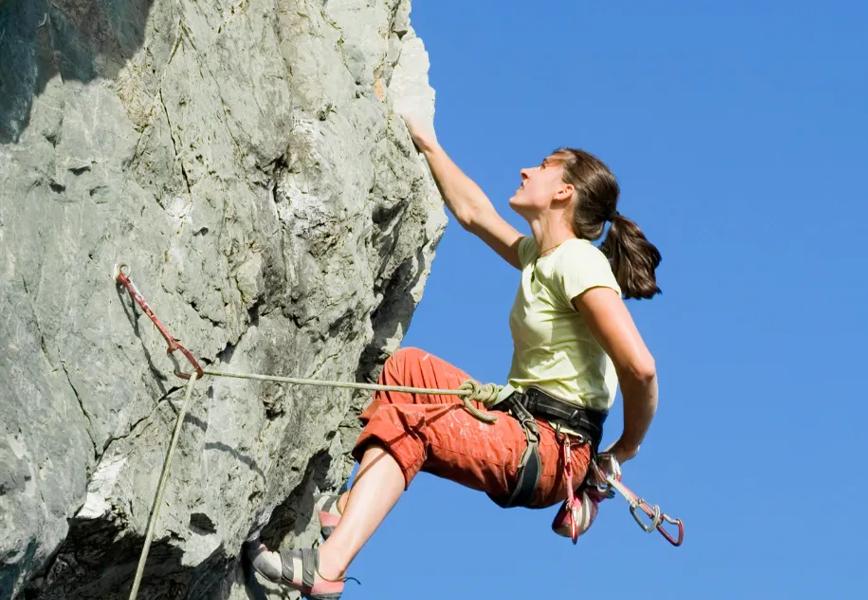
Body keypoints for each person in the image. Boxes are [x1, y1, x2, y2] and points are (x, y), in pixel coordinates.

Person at [250, 115, 662, 598]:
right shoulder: (543, 257)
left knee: (413, 419)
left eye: (544, 167)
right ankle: (349, 508)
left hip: (551, 449)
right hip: (533, 430)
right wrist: (427, 142)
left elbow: (640, 367)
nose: (527, 170)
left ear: (563, 192)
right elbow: (474, 213)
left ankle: (329, 567)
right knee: (410, 369)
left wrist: (625, 448)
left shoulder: (578, 260)